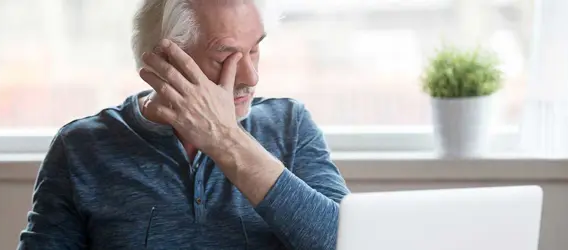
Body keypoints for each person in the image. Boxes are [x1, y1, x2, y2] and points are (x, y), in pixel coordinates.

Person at [17, 0, 350, 249]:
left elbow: (347, 243)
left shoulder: (290, 126)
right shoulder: (81, 148)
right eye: (225, 58)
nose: (251, 76)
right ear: (166, 61)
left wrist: (226, 141)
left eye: (254, 50)